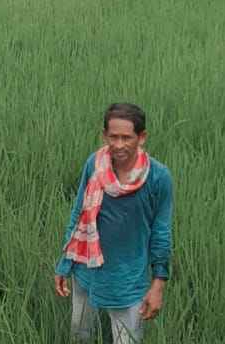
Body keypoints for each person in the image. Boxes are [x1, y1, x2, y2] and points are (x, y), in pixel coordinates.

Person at [54, 103, 174, 344]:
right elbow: (79, 213)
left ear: (141, 137)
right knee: (80, 334)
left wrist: (158, 284)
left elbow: (161, 232)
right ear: (104, 135)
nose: (119, 145)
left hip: (127, 279)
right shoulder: (94, 164)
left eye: (126, 138)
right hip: (87, 269)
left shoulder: (158, 177)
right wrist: (65, 263)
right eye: (113, 137)